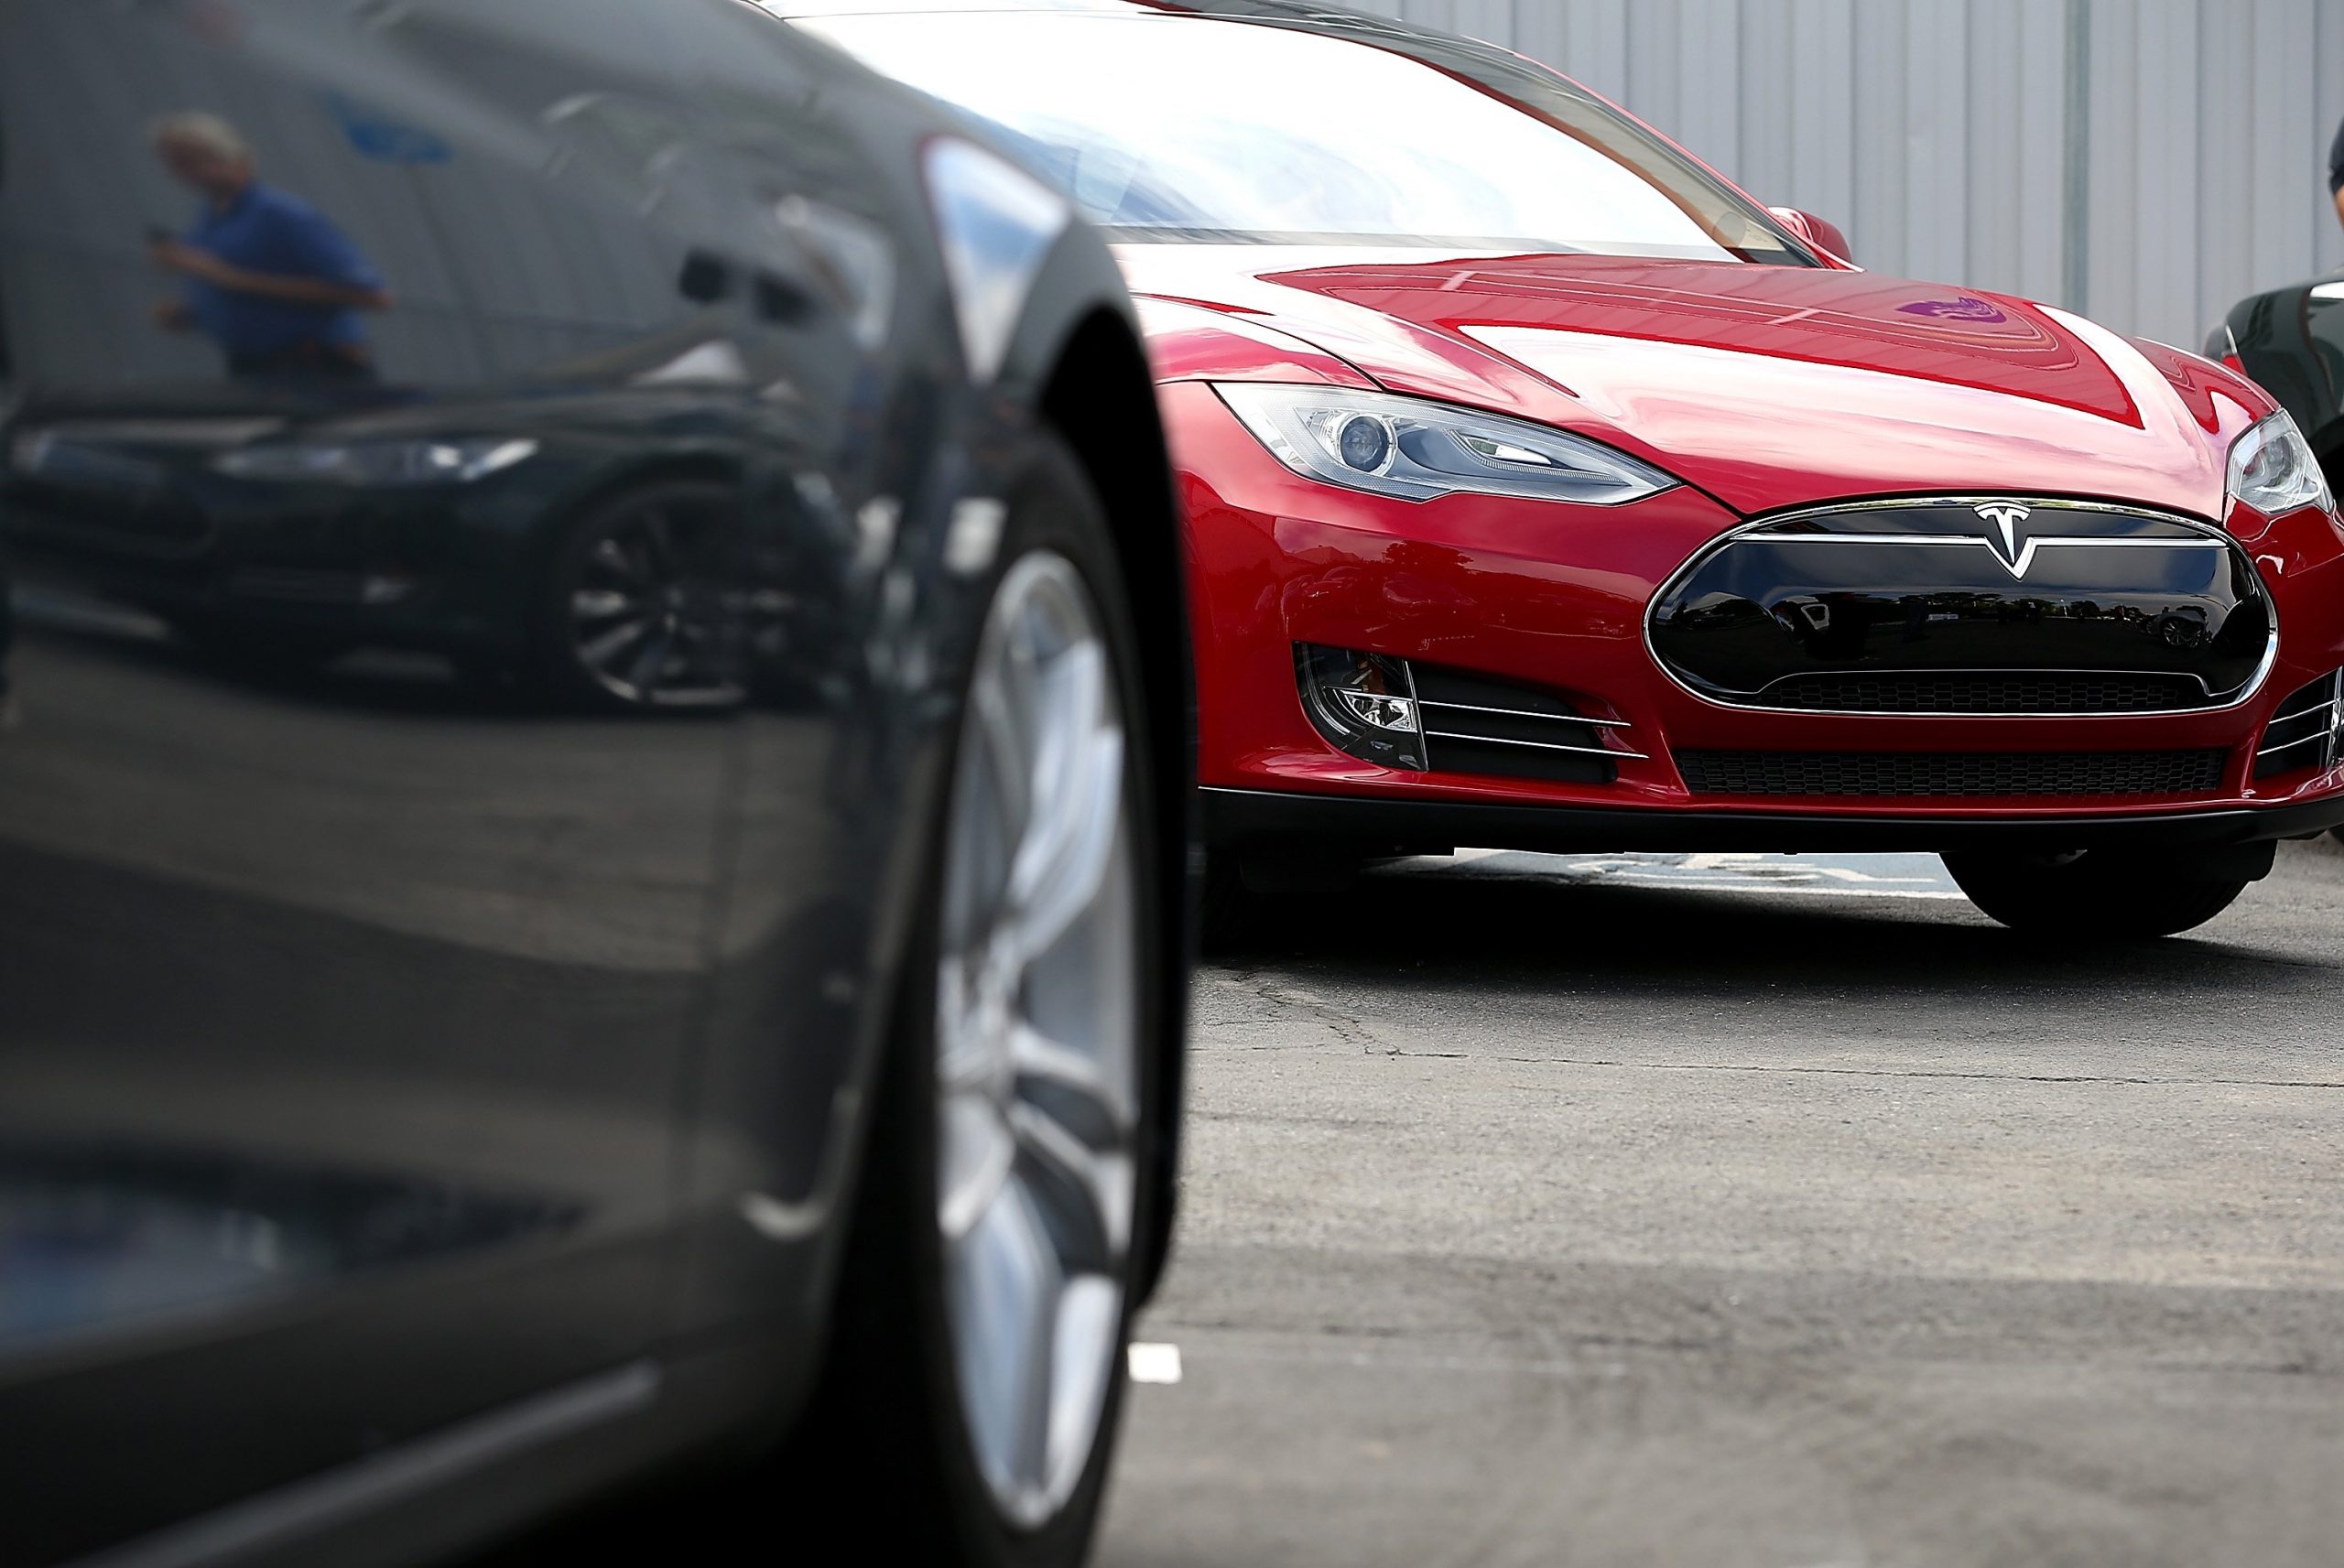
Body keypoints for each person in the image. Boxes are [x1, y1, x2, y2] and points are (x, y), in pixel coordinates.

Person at [147, 113, 390, 380]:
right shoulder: (208, 220)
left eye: (194, 161)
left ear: (236, 159)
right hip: (253, 367)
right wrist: (193, 313)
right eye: (176, 163)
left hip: (314, 366)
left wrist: (233, 278)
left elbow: (372, 296)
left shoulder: (281, 214)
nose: (185, 173)